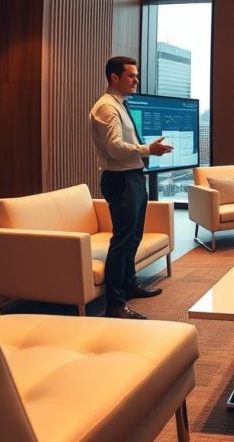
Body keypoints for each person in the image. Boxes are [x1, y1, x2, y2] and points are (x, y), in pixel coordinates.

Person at [89, 56, 173, 320]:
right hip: (121, 180)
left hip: (133, 176)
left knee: (134, 236)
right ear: (114, 77)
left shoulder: (120, 104)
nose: (136, 80)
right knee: (122, 241)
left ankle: (129, 284)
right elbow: (114, 148)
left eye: (136, 75)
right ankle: (115, 305)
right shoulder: (106, 107)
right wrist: (149, 149)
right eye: (131, 76)